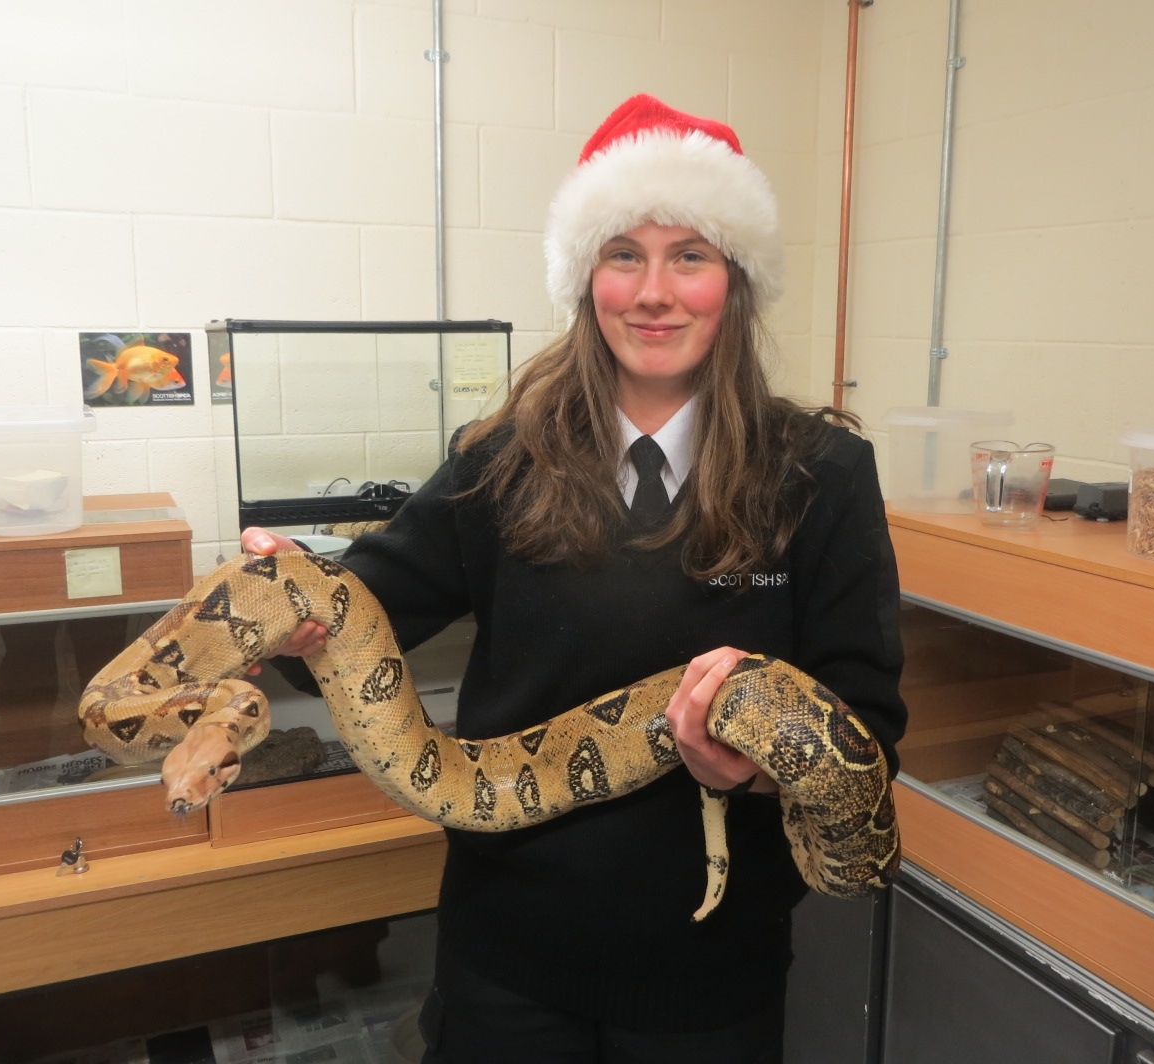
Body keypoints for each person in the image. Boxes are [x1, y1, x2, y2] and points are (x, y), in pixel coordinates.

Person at [242, 93, 906, 1064]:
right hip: (508, 959)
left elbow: (868, 720)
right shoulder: (498, 461)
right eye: (621, 253)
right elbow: (358, 616)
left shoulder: (822, 475)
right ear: (585, 278)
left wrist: (761, 768)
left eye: (691, 254)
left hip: (707, 969)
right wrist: (292, 607)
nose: (653, 290)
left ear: (737, 281)